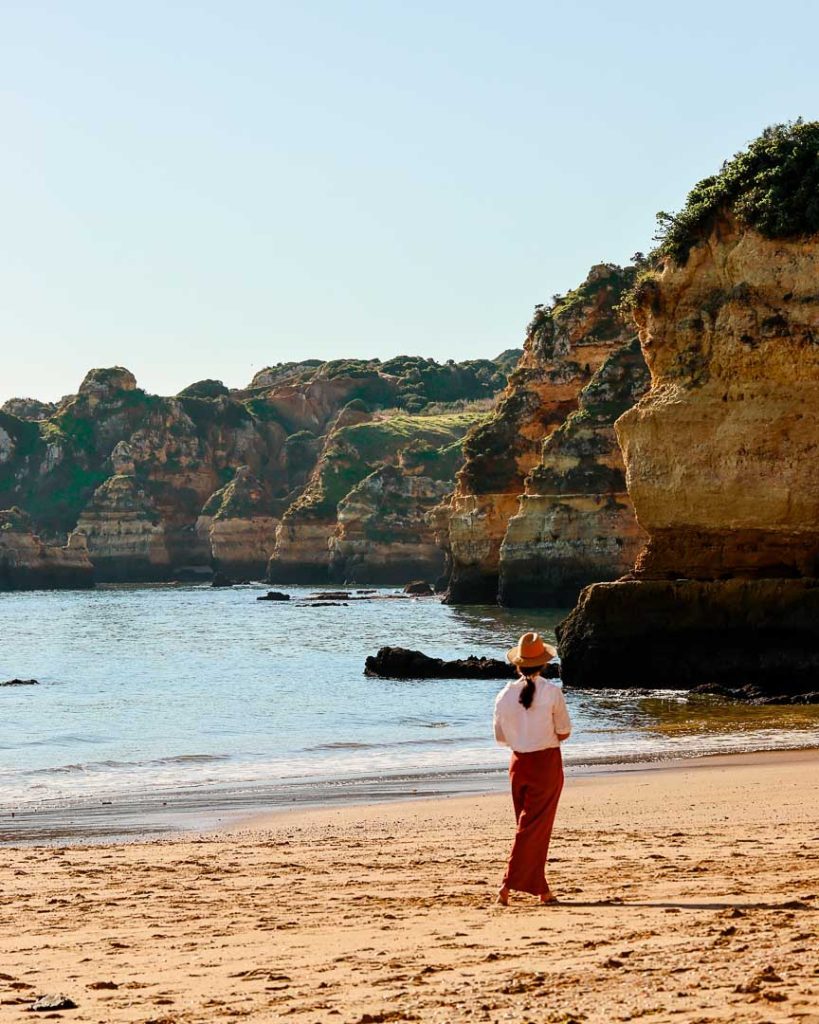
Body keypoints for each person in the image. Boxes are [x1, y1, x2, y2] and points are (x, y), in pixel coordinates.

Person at [493, 630, 571, 906]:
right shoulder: (551, 692)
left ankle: (541, 889)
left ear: (518, 664)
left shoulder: (503, 696)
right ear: (544, 663)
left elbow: (500, 738)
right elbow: (563, 732)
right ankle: (507, 884)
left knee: (528, 827)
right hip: (545, 762)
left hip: (518, 764)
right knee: (534, 827)